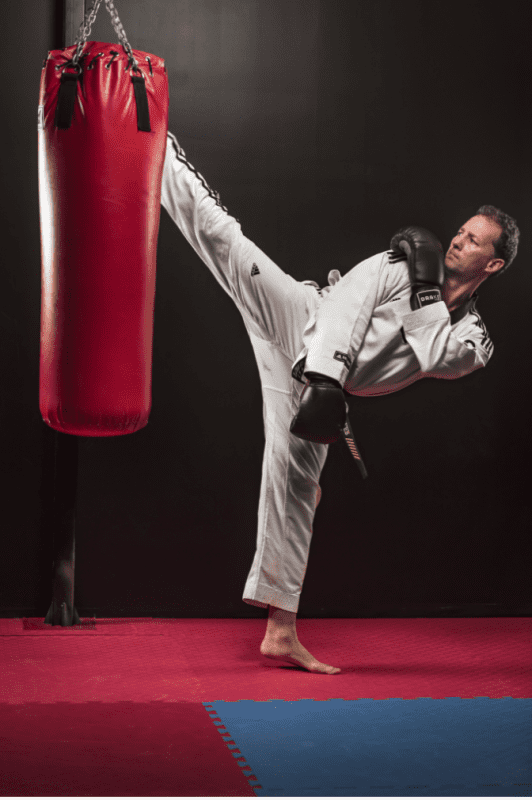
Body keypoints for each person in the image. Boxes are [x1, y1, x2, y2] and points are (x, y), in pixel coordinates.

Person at [160, 131, 519, 674]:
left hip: (316, 387)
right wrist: (327, 377)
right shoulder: (402, 264)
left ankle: (280, 632)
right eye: (461, 231)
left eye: (473, 241)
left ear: (492, 265)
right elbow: (345, 304)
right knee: (223, 237)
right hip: (304, 323)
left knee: (297, 491)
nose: (457, 241)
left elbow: (436, 356)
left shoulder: (474, 338)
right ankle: (155, 147)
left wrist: (425, 294)